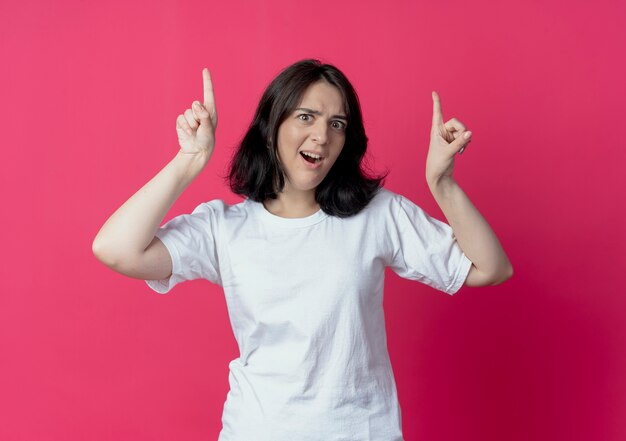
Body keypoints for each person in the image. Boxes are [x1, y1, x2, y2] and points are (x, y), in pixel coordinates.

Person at [92, 59, 513, 441]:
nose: (322, 135)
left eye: (337, 123)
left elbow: (489, 268)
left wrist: (443, 184)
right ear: (272, 125)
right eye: (306, 117)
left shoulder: (376, 215)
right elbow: (116, 249)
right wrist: (190, 160)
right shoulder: (225, 226)